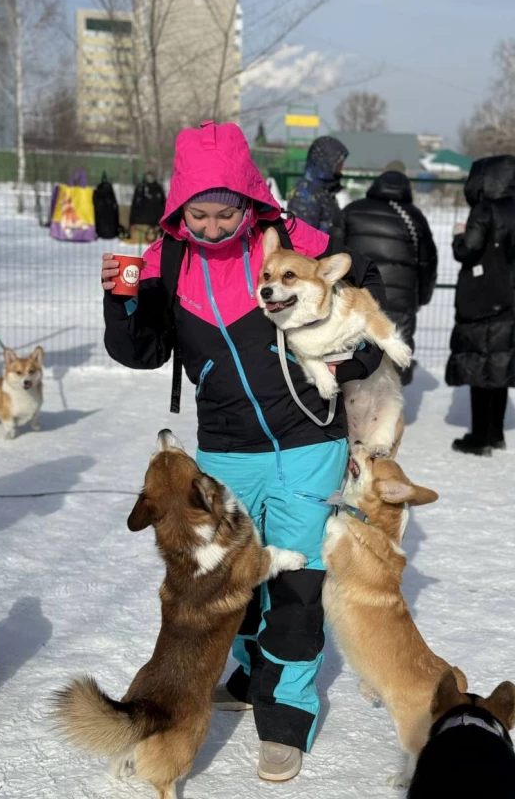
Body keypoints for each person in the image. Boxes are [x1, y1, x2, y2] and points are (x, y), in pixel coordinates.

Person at [101, 121, 386, 781]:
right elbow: (141, 353)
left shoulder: (300, 244)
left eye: (222, 210)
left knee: (298, 579)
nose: (208, 224)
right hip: (228, 451)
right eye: (195, 213)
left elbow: (367, 307)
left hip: (309, 440)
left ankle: (285, 715)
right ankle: (255, 670)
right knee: (233, 580)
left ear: (248, 198)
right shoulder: (166, 261)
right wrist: (121, 305)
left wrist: (355, 356)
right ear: (178, 207)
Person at [446, 155, 515, 456]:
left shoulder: (484, 210)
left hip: (482, 296)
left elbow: (467, 251)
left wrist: (458, 236)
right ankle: (496, 433)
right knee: (500, 364)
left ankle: (479, 437)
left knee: (478, 365)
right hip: (512, 295)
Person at [340, 167, 438, 384]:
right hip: (400, 299)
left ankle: (352, 409)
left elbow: (334, 250)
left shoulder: (352, 210)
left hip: (357, 296)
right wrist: (422, 297)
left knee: (353, 350)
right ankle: (392, 412)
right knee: (396, 349)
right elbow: (428, 263)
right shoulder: (414, 216)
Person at [287, 135, 348, 233]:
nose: (341, 168)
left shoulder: (325, 191)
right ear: (326, 163)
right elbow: (301, 238)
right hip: (317, 247)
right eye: (339, 164)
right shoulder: (305, 194)